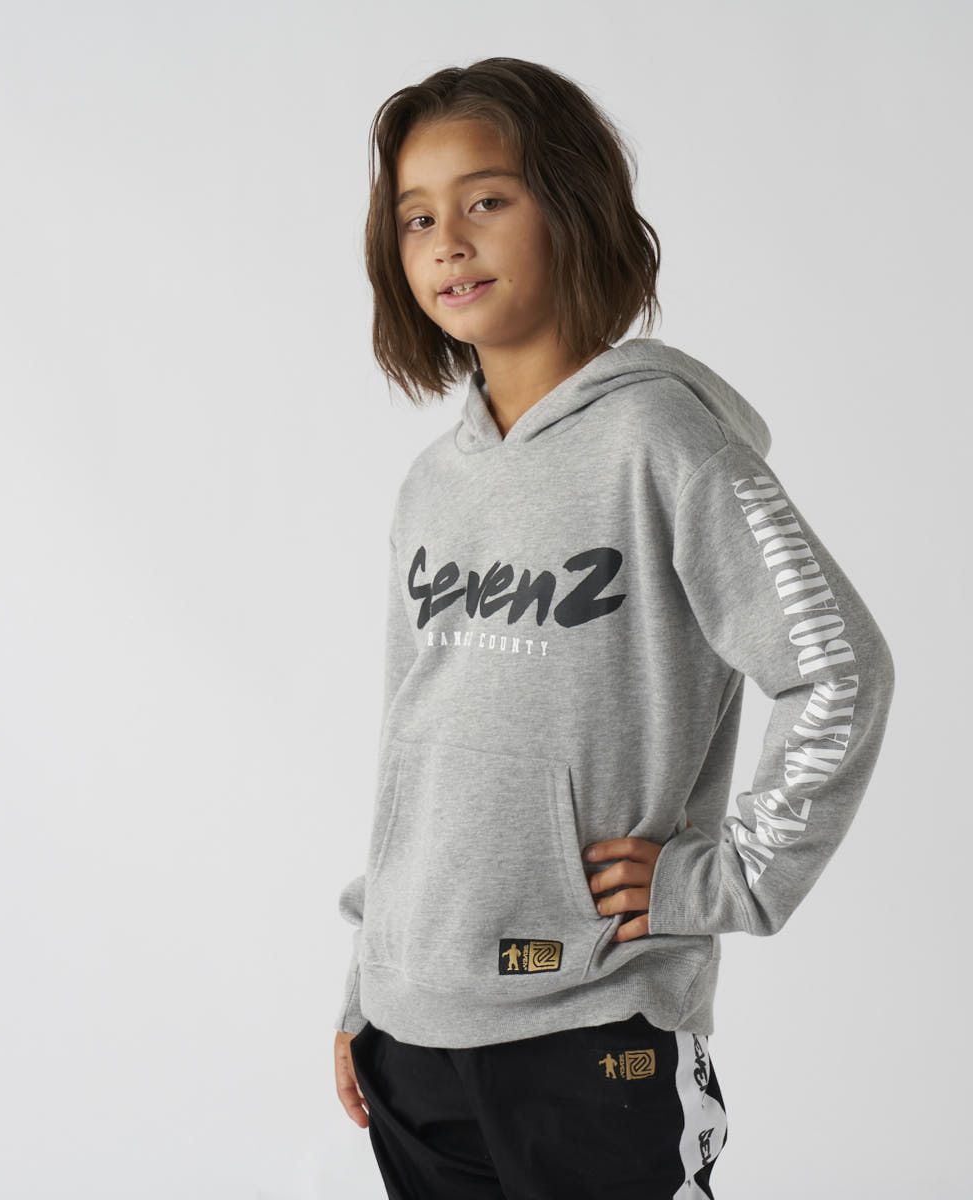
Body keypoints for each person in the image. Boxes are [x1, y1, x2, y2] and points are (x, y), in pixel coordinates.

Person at [330, 56, 895, 1199]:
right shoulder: (432, 485)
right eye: (417, 217)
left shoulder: (663, 443)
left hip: (593, 1025)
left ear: (572, 208)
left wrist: (728, 878)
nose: (448, 242)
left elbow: (839, 668)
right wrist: (366, 985)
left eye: (487, 200)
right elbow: (411, 757)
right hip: (412, 1034)